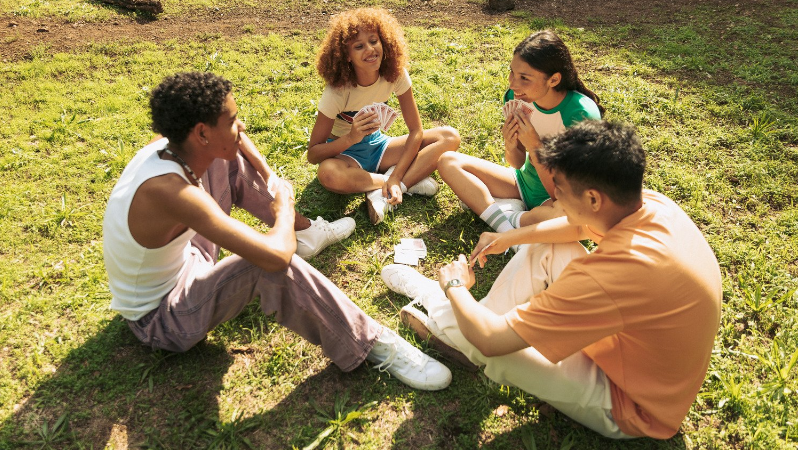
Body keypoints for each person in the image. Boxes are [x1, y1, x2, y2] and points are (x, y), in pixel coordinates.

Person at [102, 72, 451, 391]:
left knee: (228, 160)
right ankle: (372, 343)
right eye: (232, 121)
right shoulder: (171, 192)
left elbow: (239, 143)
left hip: (187, 259)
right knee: (267, 264)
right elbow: (275, 257)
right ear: (202, 133)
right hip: (164, 317)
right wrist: (282, 209)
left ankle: (307, 233)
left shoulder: (174, 143)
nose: (240, 126)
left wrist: (270, 178)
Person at [380, 121, 722, 437]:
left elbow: (492, 340)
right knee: (546, 246)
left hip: (630, 407)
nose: (554, 198)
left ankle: (437, 305)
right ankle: (462, 326)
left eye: (560, 190)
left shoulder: (609, 276)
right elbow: (577, 226)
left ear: (593, 198)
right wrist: (509, 237)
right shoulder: (651, 205)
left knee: (491, 347)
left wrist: (454, 286)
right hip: (635, 354)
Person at [438, 30, 603, 235]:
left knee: (570, 218)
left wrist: (535, 147)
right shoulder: (516, 98)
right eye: (512, 73)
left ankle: (504, 213)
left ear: (553, 80)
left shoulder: (581, 114)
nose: (513, 84)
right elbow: (516, 163)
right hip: (521, 183)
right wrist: (510, 145)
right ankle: (506, 225)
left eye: (524, 78)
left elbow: (563, 195)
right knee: (448, 161)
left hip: (557, 197)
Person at [308, 7, 461, 224]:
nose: (370, 49)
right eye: (359, 46)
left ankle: (396, 184)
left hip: (379, 146)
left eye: (374, 41)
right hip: (344, 155)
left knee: (449, 137)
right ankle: (395, 182)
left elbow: (416, 131)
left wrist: (396, 177)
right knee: (328, 174)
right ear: (346, 56)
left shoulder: (395, 74)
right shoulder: (337, 91)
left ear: (384, 42)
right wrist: (351, 138)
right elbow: (313, 154)